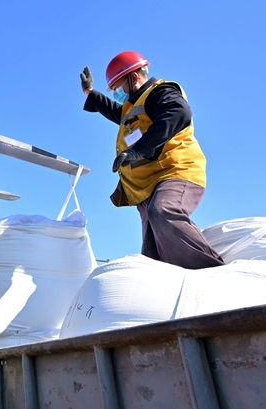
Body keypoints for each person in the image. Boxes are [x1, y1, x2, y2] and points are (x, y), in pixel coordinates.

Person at [80, 51, 224, 270]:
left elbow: (178, 112)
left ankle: (211, 272)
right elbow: (114, 111)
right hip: (148, 186)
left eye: (119, 87)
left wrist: (139, 149)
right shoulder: (133, 107)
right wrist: (90, 93)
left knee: (163, 211)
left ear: (134, 77)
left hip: (176, 172)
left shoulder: (160, 93)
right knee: (151, 254)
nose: (118, 93)